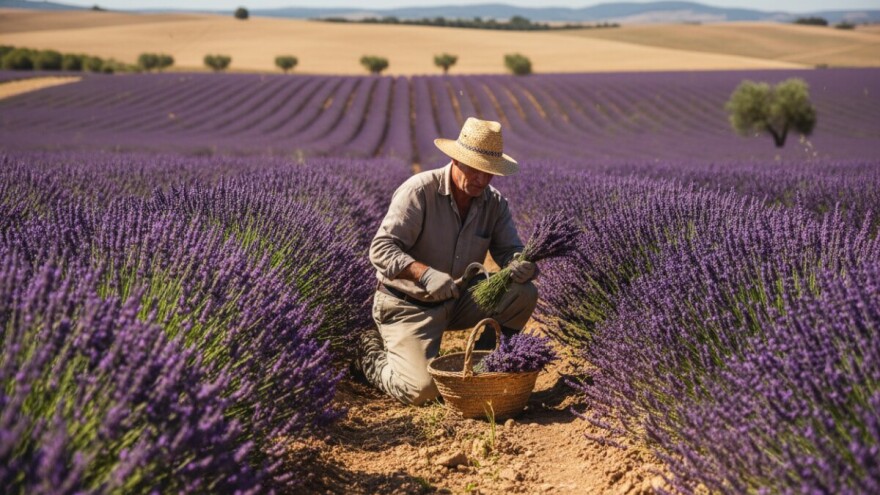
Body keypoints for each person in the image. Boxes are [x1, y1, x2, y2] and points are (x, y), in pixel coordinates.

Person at [355, 117, 538, 406]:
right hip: (408, 305)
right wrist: (424, 274)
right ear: (456, 159)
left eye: (489, 173)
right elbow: (381, 248)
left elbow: (509, 250)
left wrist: (519, 263)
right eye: (476, 170)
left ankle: (485, 367)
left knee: (523, 293)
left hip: (456, 299)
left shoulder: (494, 203)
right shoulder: (419, 192)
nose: (482, 180)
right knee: (423, 391)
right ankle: (369, 355)